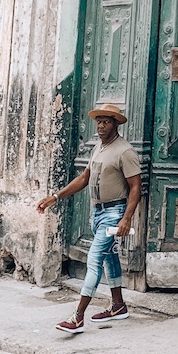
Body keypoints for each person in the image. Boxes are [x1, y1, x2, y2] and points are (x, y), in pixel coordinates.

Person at [36, 103, 142, 334]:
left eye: (106, 122)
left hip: (114, 213)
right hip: (98, 212)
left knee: (94, 260)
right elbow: (85, 178)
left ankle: (77, 317)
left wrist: (126, 218)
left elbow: (136, 187)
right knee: (109, 256)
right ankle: (118, 305)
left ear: (116, 124)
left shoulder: (125, 151)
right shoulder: (98, 147)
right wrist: (55, 197)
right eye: (99, 121)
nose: (101, 126)